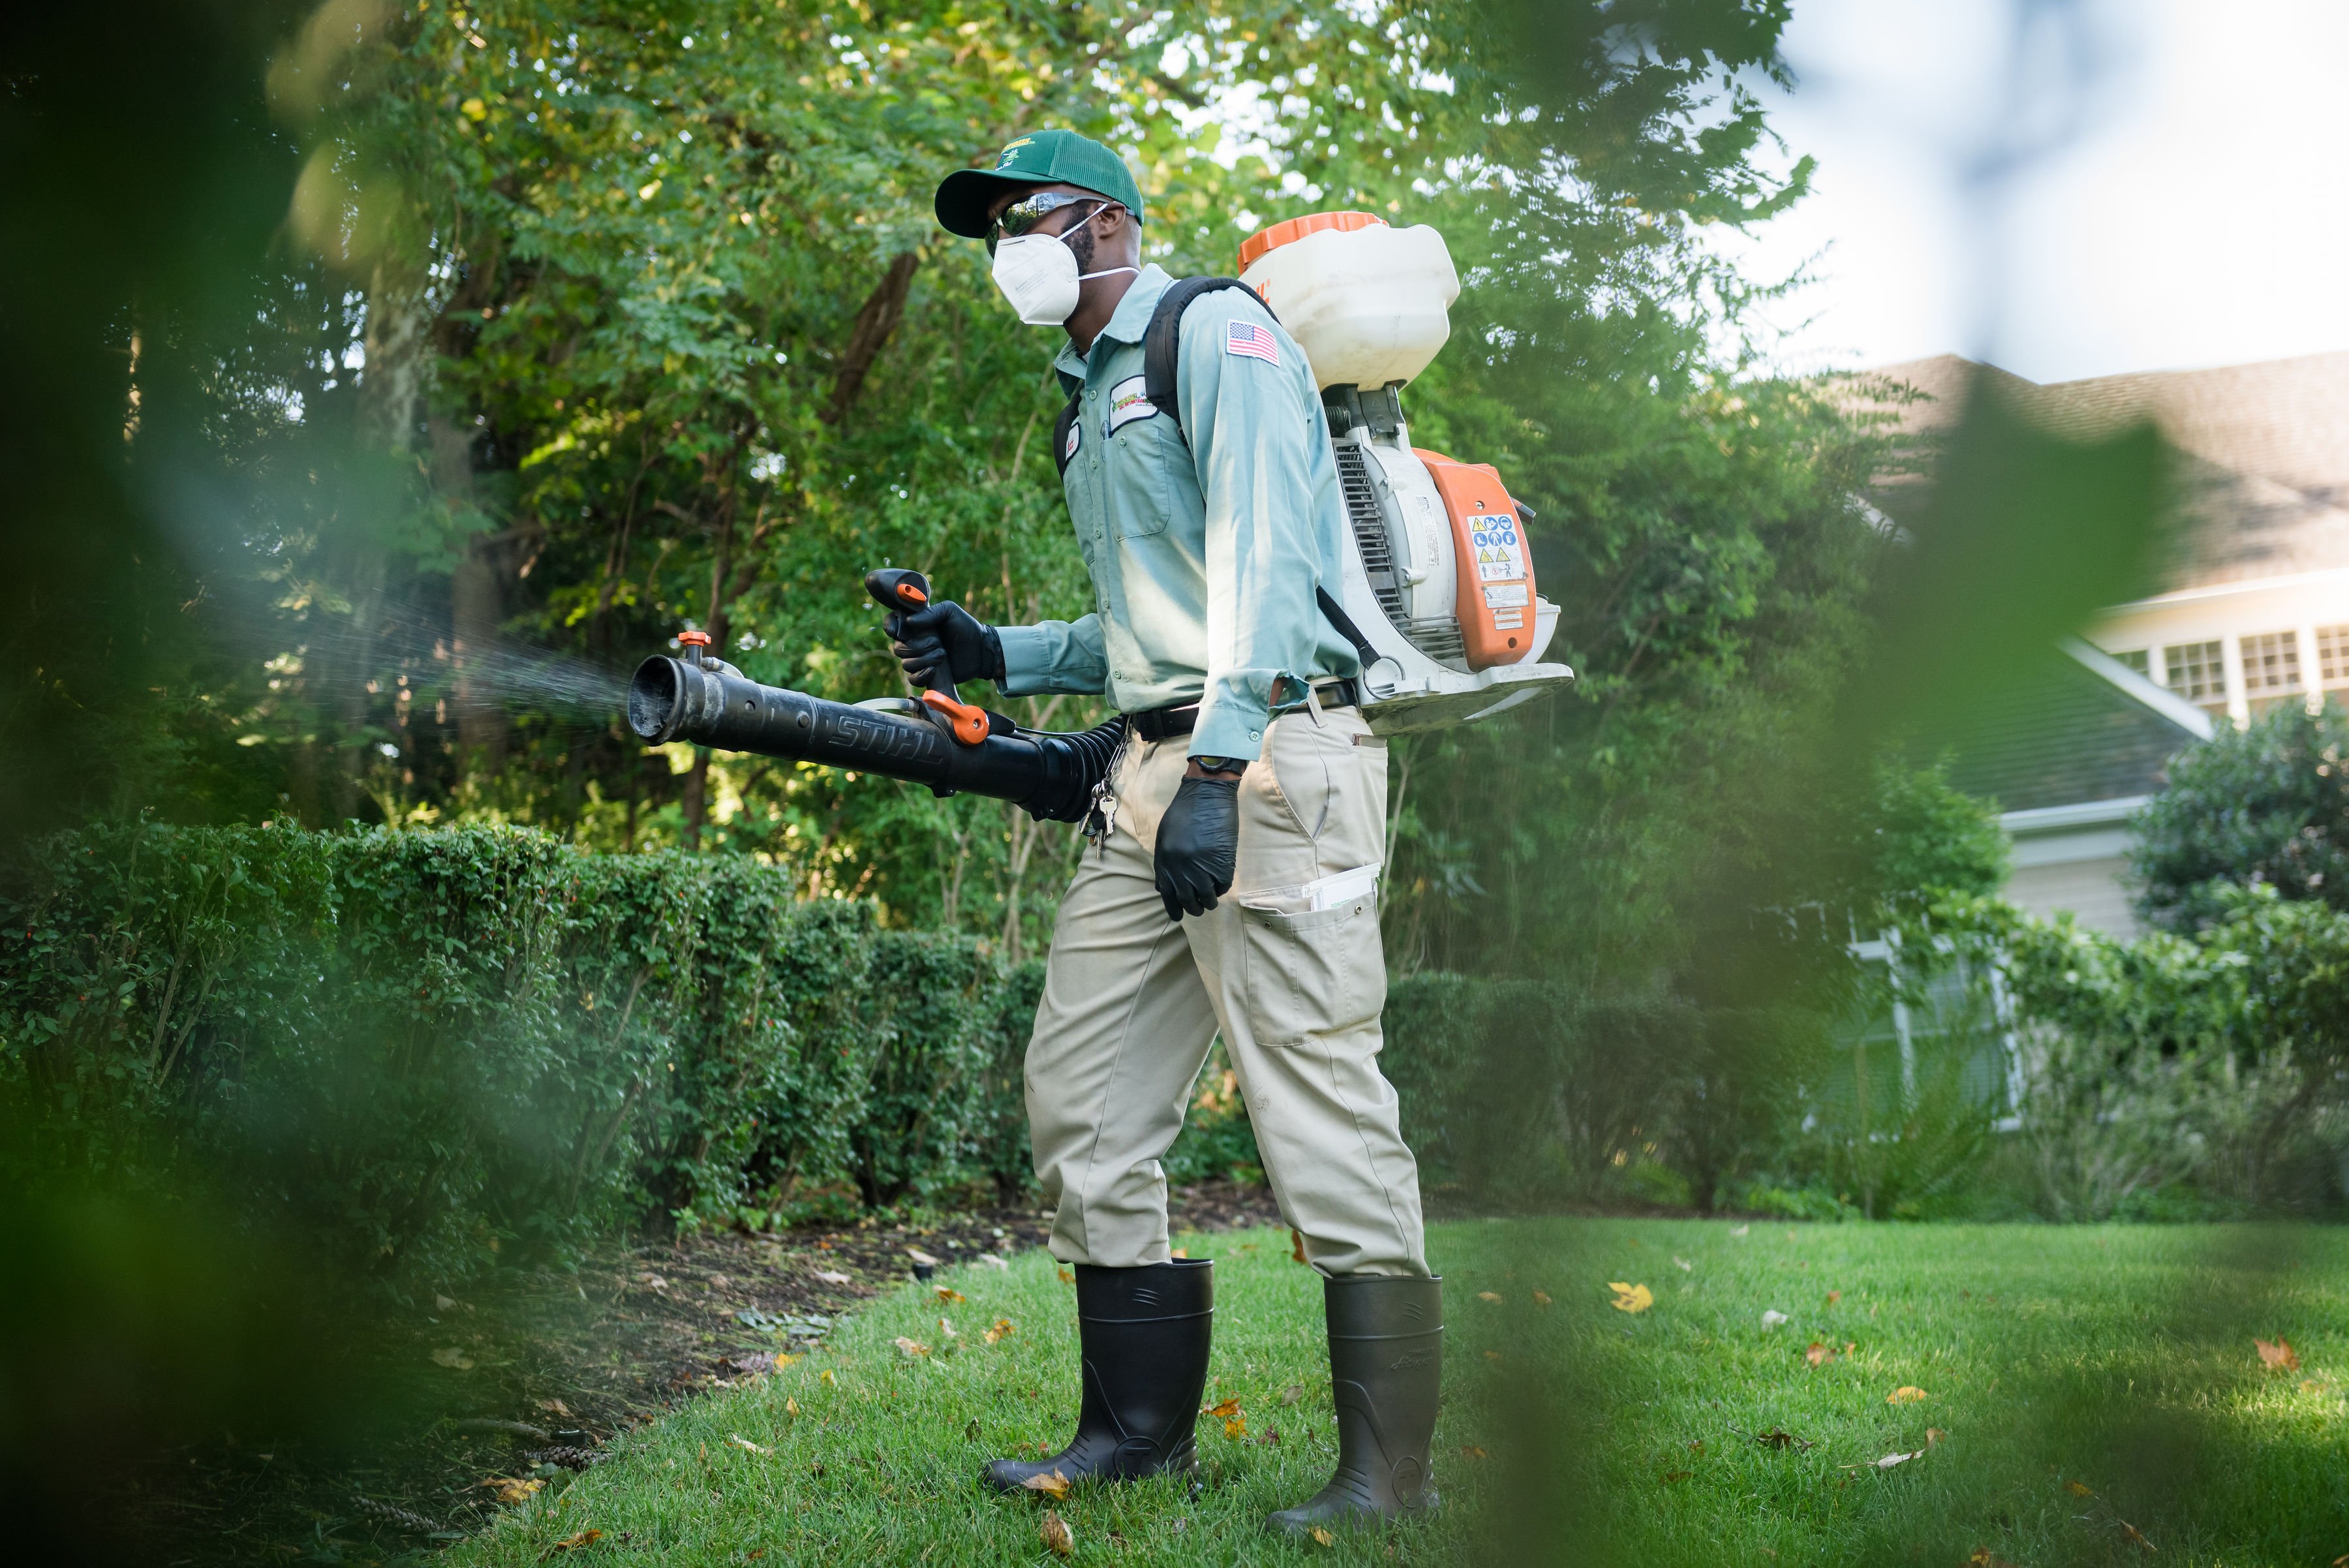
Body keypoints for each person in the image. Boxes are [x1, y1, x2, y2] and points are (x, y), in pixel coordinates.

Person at [908, 129, 1441, 1535]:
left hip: (1271, 757)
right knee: (1081, 1097)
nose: (1008, 242)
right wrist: (1000, 649)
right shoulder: (1089, 397)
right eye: (995, 225)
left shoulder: (1217, 331)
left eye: (1025, 217)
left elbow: (1268, 554)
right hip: (1151, 772)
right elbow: (1152, 614)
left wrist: (1219, 772)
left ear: (1103, 223)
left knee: (1321, 1101)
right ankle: (1135, 1435)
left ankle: (1389, 1473)